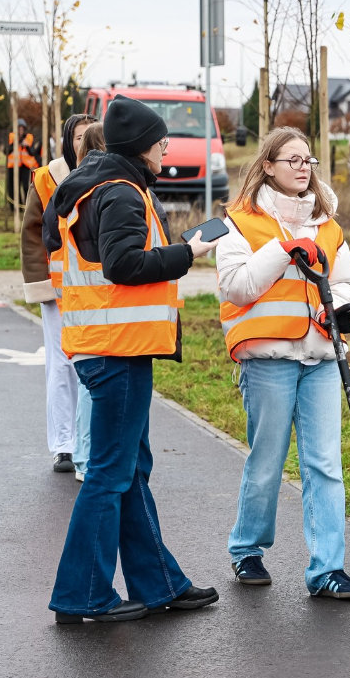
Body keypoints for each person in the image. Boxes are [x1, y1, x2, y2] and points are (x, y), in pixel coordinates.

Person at [43, 95, 220, 623]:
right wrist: (190, 252)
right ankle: (84, 596)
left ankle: (160, 584)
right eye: (162, 139)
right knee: (110, 475)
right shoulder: (120, 191)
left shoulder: (99, 183)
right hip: (116, 348)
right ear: (143, 145)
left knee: (130, 469)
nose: (167, 147)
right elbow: (124, 265)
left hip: (112, 345)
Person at [217, 127, 350, 598]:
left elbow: (344, 282)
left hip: (321, 356)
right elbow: (237, 286)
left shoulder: (328, 224)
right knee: (267, 460)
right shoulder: (239, 222)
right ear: (268, 166)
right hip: (268, 358)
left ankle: (327, 570)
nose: (304, 167)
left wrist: (332, 308)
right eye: (293, 160)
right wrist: (281, 251)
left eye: (309, 161)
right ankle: (247, 549)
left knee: (325, 463)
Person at [22, 114, 96, 476]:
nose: (84, 142)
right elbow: (32, 234)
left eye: (91, 136)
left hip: (95, 289)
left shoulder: (109, 175)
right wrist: (41, 285)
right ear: (69, 140)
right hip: (58, 288)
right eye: (79, 136)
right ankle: (64, 445)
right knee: (61, 365)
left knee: (91, 364)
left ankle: (87, 441)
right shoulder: (47, 177)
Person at [69, 122, 108, 481]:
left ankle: (83, 457)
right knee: (92, 385)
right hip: (100, 303)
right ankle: (84, 458)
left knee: (88, 383)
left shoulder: (75, 186)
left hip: (81, 300)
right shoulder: (103, 189)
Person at [7, 119, 39, 207]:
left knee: (25, 186)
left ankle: (26, 204)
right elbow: (6, 151)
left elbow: (32, 152)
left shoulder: (29, 138)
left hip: (25, 166)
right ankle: (14, 206)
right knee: (13, 187)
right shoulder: (11, 137)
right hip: (13, 166)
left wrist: (27, 146)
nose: (20, 131)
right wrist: (15, 143)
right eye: (19, 129)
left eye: (22, 129)